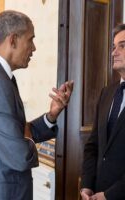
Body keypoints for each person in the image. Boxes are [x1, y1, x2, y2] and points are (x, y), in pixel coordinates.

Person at [0, 10, 73, 200]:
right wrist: (24, 137)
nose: (34, 48)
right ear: (13, 40)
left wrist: (51, 115)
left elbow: (16, 132)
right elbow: (20, 156)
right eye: (30, 39)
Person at [80, 23, 125, 200]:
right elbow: (93, 145)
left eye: (122, 46)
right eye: (114, 47)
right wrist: (86, 185)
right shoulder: (106, 92)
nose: (114, 53)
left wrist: (110, 195)